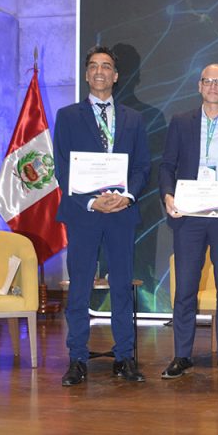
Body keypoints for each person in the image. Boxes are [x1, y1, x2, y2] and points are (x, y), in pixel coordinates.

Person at [53, 45, 151, 387]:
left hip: (121, 213)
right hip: (84, 214)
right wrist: (92, 202)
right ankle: (77, 358)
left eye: (106, 66)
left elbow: (142, 166)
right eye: (93, 66)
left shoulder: (133, 119)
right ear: (86, 74)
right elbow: (62, 167)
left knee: (121, 287)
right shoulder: (68, 116)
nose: (99, 71)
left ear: (116, 75)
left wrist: (126, 196)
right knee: (80, 288)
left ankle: (124, 357)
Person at [158, 63, 218, 380]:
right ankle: (181, 355)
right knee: (185, 287)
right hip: (189, 216)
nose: (214, 86)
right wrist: (168, 195)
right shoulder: (181, 121)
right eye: (208, 81)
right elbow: (167, 165)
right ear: (199, 86)